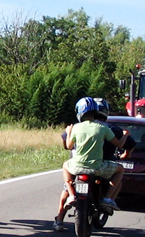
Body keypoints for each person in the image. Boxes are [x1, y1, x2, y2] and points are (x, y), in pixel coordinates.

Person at [55, 97, 129, 229]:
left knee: (65, 166)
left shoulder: (77, 127)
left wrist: (69, 132)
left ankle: (71, 196)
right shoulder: (102, 128)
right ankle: (107, 198)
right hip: (97, 168)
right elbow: (119, 144)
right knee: (120, 169)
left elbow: (69, 145)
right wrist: (125, 135)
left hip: (77, 167)